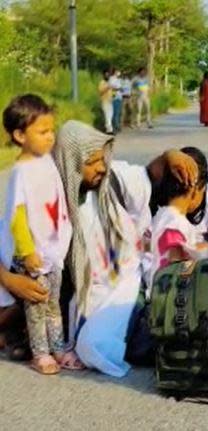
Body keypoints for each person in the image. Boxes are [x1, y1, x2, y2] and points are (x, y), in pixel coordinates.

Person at [48, 120, 197, 377]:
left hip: (129, 286)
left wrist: (169, 156)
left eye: (102, 158)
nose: (101, 167)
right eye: (91, 162)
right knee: (94, 344)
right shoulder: (53, 199)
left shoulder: (113, 179)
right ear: (70, 163)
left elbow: (151, 174)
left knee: (104, 343)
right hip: (88, 298)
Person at [0, 95, 82, 374]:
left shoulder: (46, 161)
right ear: (20, 135)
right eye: (43, 132)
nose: (50, 137)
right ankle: (41, 352)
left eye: (52, 130)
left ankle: (58, 347)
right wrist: (27, 252)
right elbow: (17, 217)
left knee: (53, 305)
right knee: (36, 306)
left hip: (52, 251)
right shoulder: (21, 172)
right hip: (33, 255)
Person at [149, 150, 208, 284]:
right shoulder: (178, 224)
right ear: (194, 190)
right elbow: (181, 268)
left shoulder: (161, 214)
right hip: (169, 292)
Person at [98, 69, 114, 134]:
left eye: (108, 75)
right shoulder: (102, 82)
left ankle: (108, 129)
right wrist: (107, 87)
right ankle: (110, 131)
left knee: (110, 116)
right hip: (105, 102)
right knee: (107, 116)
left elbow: (111, 92)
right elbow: (100, 91)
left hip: (110, 102)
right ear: (103, 75)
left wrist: (113, 95)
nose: (107, 76)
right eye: (106, 75)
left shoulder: (109, 83)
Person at [108, 68, 123, 133]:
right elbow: (111, 87)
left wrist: (120, 89)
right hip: (114, 97)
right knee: (115, 113)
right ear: (114, 72)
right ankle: (114, 127)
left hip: (119, 97)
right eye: (117, 71)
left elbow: (120, 87)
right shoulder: (111, 78)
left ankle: (117, 125)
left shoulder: (118, 79)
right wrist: (118, 88)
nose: (119, 73)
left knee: (118, 113)